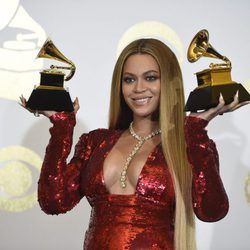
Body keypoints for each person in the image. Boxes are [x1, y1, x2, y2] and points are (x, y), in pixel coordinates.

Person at [20, 38, 249, 250]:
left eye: (150, 77)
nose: (138, 88)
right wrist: (61, 127)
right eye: (129, 79)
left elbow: (212, 211)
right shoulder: (95, 142)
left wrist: (196, 132)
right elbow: (53, 202)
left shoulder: (189, 146)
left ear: (170, 82)